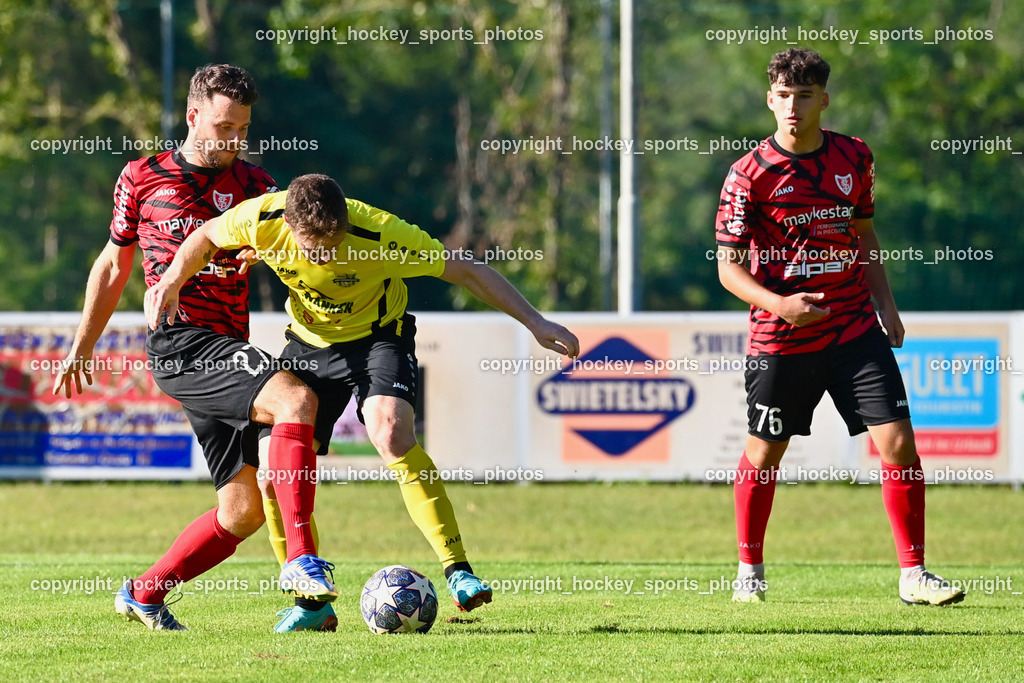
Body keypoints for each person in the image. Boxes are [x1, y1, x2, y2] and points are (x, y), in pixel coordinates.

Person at [145, 173, 581, 627]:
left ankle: (458, 570)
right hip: (309, 343)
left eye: (333, 246)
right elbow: (206, 234)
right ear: (288, 225)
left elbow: (467, 270)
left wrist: (536, 323)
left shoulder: (382, 233)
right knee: (272, 475)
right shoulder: (262, 218)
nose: (325, 257)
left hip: (378, 339)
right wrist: (172, 279)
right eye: (314, 250)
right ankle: (310, 603)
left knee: (390, 432)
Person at [53, 64, 338, 631]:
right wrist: (83, 345)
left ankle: (144, 593)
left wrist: (277, 254)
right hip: (181, 345)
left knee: (242, 511)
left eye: (243, 129)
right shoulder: (142, 177)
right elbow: (113, 265)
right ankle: (304, 562)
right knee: (295, 401)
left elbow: (304, 250)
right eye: (224, 126)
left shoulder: (258, 184)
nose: (234, 139)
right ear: (193, 116)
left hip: (229, 347)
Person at [714, 48, 964, 606]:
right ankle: (749, 571)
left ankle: (914, 574)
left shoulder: (854, 155)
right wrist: (780, 305)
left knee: (899, 443)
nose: (793, 107)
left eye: (804, 96)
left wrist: (886, 306)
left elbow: (865, 235)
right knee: (764, 454)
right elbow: (728, 270)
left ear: (823, 100)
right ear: (769, 99)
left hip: (853, 326)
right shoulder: (748, 175)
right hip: (781, 337)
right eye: (783, 96)